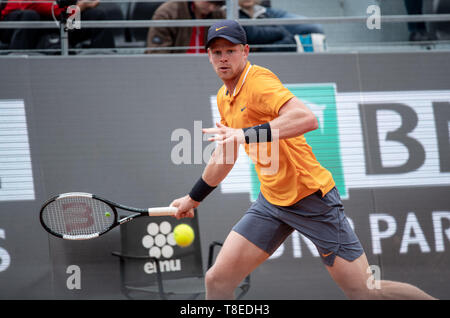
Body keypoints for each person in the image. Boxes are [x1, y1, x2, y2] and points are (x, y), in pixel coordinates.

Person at [169, 19, 437, 300]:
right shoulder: (225, 96)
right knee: (218, 280)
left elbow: (307, 118)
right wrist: (194, 198)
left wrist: (244, 134)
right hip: (271, 202)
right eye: (216, 52)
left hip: (312, 199)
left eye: (230, 51)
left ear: (245, 51)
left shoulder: (259, 82)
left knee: (365, 292)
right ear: (208, 56)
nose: (223, 58)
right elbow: (226, 154)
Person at [0, 0, 115, 52]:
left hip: (57, 16)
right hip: (16, 20)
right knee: (30, 15)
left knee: (97, 14)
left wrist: (82, 4)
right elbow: (44, 6)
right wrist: (80, 6)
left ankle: (105, 58)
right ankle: (19, 56)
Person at [238, 0, 324, 52]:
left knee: (314, 31)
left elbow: (289, 40)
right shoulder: (231, 14)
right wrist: (280, 32)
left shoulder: (264, 13)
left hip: (276, 58)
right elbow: (253, 35)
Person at [145, 1, 225, 54]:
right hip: (176, 71)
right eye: (208, 2)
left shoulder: (218, 14)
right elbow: (157, 52)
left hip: (208, 70)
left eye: (217, 5)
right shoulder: (168, 12)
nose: (211, 8)